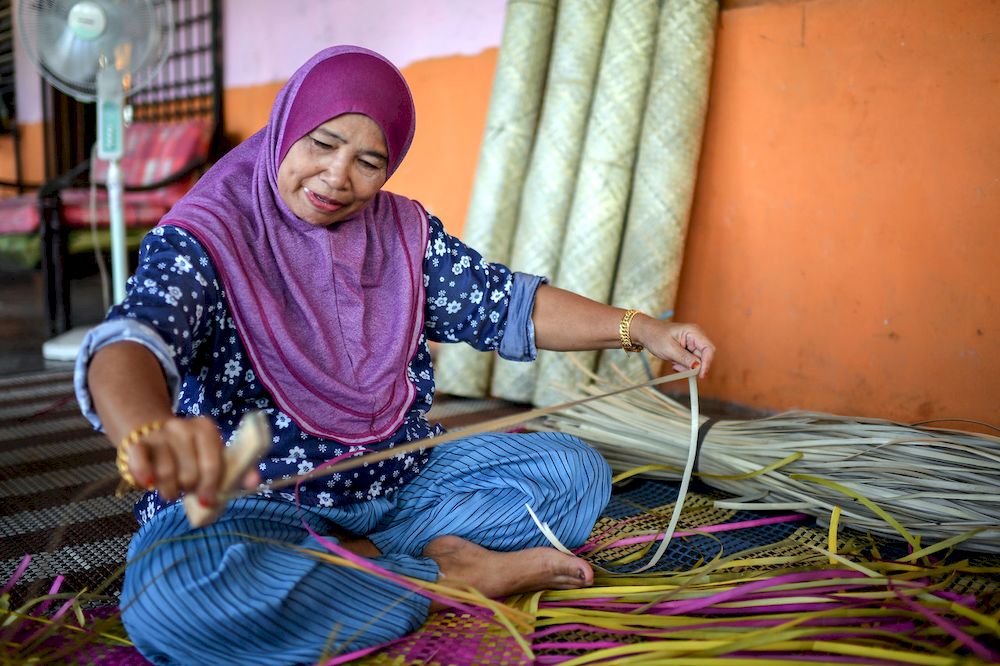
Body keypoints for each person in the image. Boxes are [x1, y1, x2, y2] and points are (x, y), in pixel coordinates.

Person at [75, 45, 715, 665]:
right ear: (286, 127)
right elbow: (131, 341)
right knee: (173, 596)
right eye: (322, 144)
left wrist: (642, 330)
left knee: (572, 471)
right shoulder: (207, 233)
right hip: (251, 510)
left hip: (394, 488)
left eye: (369, 161)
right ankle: (440, 574)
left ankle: (361, 565)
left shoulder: (403, 233)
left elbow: (506, 303)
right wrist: (148, 429)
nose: (337, 177)